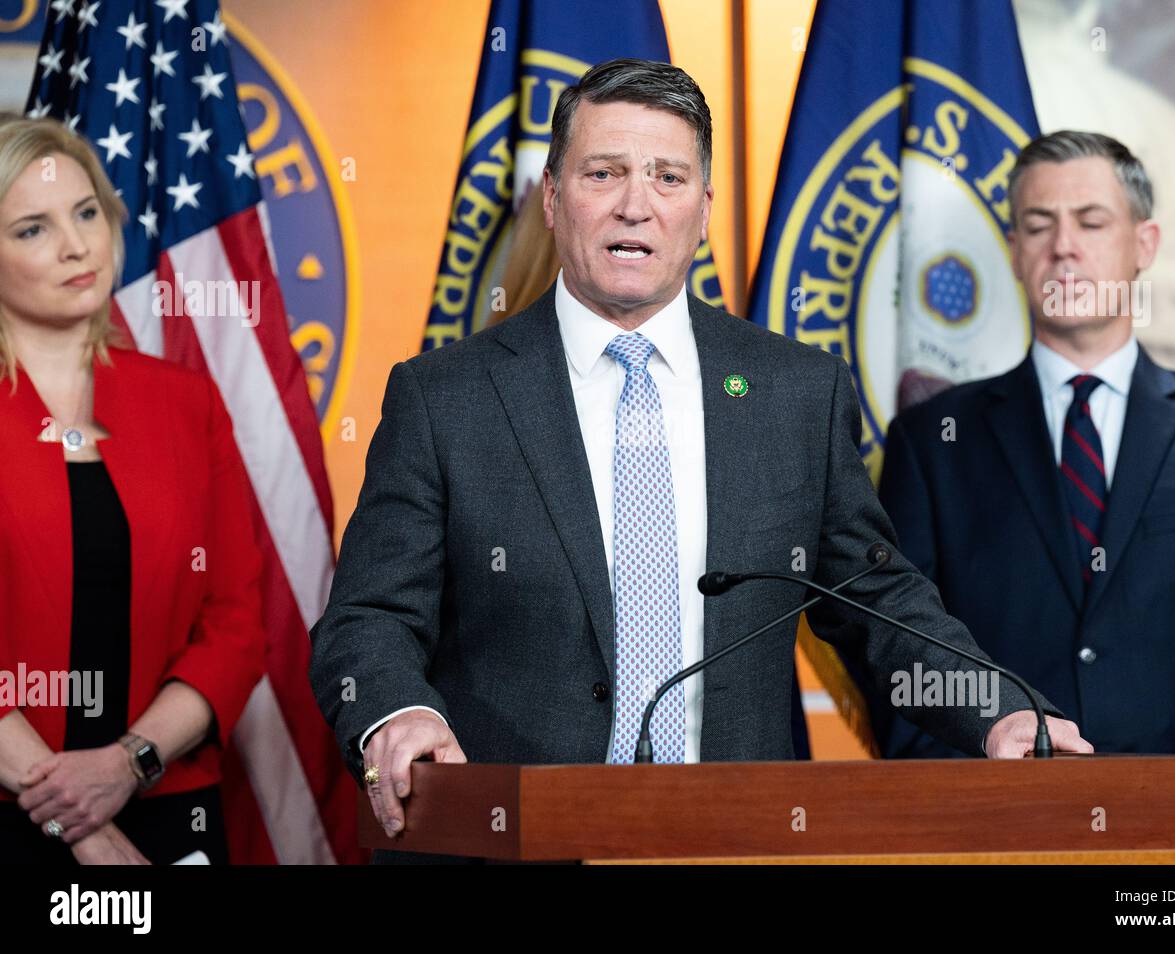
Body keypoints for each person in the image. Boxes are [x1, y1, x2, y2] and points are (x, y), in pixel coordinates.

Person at [310, 59, 1089, 863]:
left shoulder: (798, 392)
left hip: (733, 841)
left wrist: (993, 707)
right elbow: (367, 618)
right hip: (506, 841)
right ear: (551, 197)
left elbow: (877, 600)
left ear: (705, 208)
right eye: (603, 172)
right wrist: (399, 713)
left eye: (668, 176)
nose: (635, 205)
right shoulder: (445, 397)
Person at [865, 130, 1175, 864]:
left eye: (1091, 221)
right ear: (1012, 250)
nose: (1064, 246)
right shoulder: (931, 442)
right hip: (990, 851)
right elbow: (904, 666)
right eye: (1038, 224)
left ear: (1144, 242)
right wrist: (982, 811)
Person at [0, 117, 266, 865]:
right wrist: (74, 814)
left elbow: (237, 623)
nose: (77, 245)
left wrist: (125, 765)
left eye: (86, 214)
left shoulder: (186, 404)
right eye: (31, 229)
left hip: (166, 806)